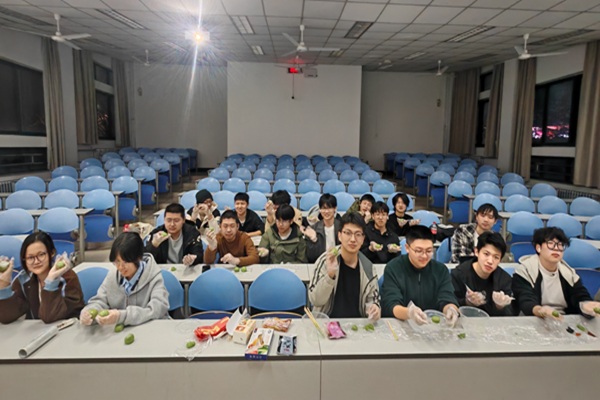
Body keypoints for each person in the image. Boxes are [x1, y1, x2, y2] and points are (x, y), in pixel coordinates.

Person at [80, 232, 169, 327]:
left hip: (149, 329)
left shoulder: (154, 277)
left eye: (126, 262)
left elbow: (157, 310)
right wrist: (88, 312)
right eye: (117, 261)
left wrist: (122, 316)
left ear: (138, 258)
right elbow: (100, 301)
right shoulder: (112, 276)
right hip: (120, 332)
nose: (120, 267)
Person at [512, 227, 600, 318]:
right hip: (534, 318)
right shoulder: (525, 271)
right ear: (538, 248)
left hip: (563, 319)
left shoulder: (568, 273)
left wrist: (585, 305)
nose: (556, 248)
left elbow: (580, 296)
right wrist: (540, 310)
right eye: (551, 244)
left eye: (560, 245)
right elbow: (525, 299)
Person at [382, 225, 459, 326]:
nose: (424, 256)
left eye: (429, 251)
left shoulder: (440, 270)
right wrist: (409, 313)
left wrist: (451, 309)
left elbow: (447, 297)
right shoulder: (393, 268)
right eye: (418, 251)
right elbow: (390, 304)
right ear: (407, 248)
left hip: (433, 327)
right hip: (402, 325)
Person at [309, 212, 381, 319]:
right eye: (348, 233)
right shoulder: (325, 261)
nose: (353, 239)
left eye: (358, 234)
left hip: (357, 325)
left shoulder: (368, 268)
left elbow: (373, 300)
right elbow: (315, 300)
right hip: (326, 323)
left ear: (363, 239)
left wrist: (374, 308)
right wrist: (330, 276)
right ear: (339, 235)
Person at [0, 232, 84, 324]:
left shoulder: (68, 277)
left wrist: (51, 281)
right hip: (37, 331)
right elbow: (7, 317)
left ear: (52, 253)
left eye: (41, 255)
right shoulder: (23, 280)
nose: (36, 261)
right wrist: (3, 285)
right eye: (30, 257)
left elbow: (49, 317)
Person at [451, 231, 514, 316]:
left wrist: (500, 307)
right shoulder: (458, 274)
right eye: (486, 254)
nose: (490, 261)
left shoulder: (504, 279)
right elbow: (450, 305)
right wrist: (467, 302)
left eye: (496, 257)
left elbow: (510, 314)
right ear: (476, 252)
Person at [304, 194, 341, 263]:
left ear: (335, 209)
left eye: (329, 208)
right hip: (320, 263)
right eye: (323, 208)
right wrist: (314, 240)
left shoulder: (342, 227)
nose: (326, 211)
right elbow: (311, 257)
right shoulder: (313, 229)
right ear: (320, 210)